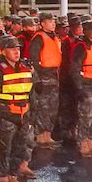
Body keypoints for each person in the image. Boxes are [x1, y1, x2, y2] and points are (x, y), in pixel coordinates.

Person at [0, 35, 34, 182]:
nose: (16, 52)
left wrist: (31, 113)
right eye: (12, 49)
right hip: (7, 116)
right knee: (4, 150)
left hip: (23, 114)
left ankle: (13, 177)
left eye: (18, 48)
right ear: (3, 50)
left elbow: (32, 90)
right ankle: (3, 180)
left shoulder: (25, 66)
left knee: (19, 148)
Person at [69, 20, 92, 157]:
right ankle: (82, 142)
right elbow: (75, 67)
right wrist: (79, 87)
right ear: (86, 31)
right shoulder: (81, 47)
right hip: (86, 84)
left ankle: (91, 140)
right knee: (85, 115)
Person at [28, 13, 62, 149]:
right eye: (49, 21)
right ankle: (41, 136)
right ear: (42, 24)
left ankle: (48, 135)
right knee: (42, 107)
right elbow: (34, 60)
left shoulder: (55, 37)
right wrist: (37, 79)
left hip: (54, 75)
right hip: (43, 76)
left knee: (53, 107)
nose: (53, 24)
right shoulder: (38, 38)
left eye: (53, 21)